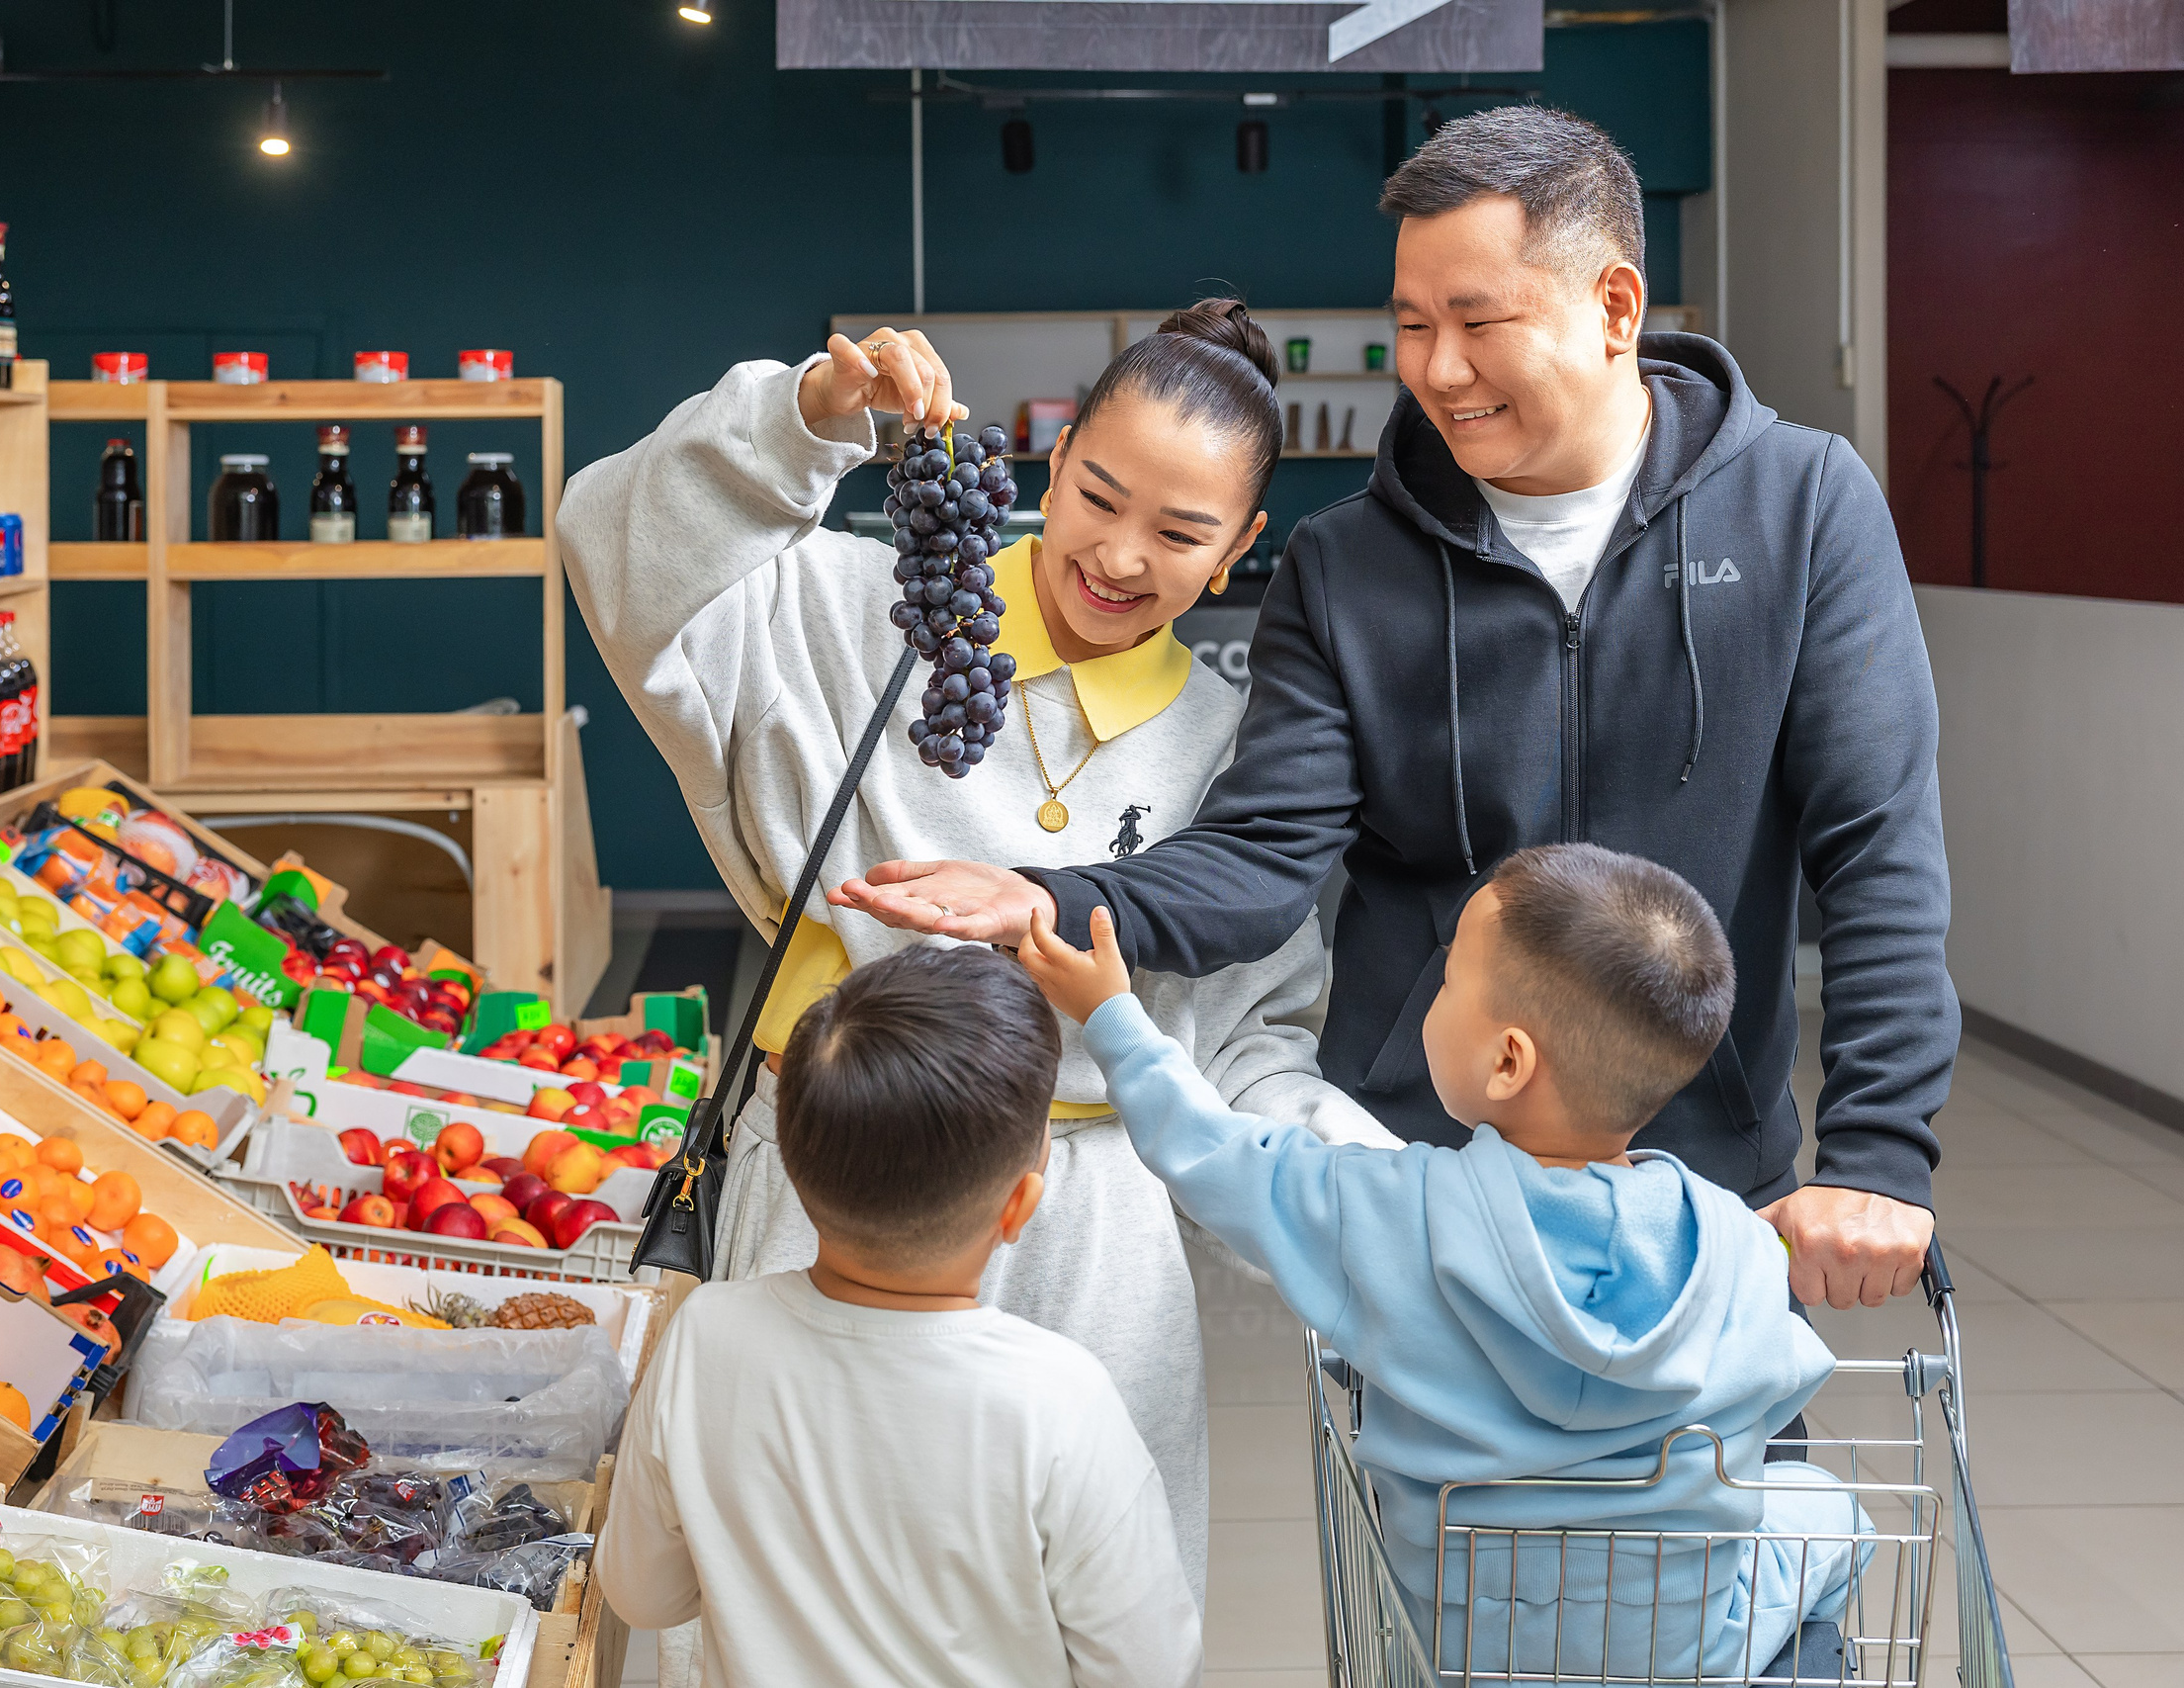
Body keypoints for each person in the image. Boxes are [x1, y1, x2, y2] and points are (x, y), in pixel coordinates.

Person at [836, 105, 1954, 1312]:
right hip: (1422, 1186)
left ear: (1616, 307)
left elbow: (1875, 848)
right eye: (1412, 325)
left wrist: (1880, 1158)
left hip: (1701, 1190)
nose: (1435, 369)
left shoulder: (1801, 509)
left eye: (1478, 322)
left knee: (1715, 1501)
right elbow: (1264, 859)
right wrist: (1048, 896)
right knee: (1429, 1507)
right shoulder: (1345, 566)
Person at [560, 301, 1398, 1611]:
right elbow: (619, 547)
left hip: (1092, 1232)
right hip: (835, 1171)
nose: (1118, 556)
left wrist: (1390, 1203)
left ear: (1239, 549)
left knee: (1075, 1601)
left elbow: (1249, 1040)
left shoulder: (1238, 748)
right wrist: (803, 417)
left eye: (1179, 533)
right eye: (1099, 495)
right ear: (1052, 465)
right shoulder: (854, 607)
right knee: (784, 1589)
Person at [1017, 844, 1869, 1681]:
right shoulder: (1734, 1245)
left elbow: (1213, 1154)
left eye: (1450, 977)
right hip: (1682, 1646)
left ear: (1507, 1060)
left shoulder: (1394, 1208)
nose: (1434, 989)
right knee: (1832, 1507)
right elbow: (1786, 1376)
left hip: (1458, 1636)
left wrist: (1113, 1017)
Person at [595, 943, 1205, 1688]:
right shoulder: (1062, 1400)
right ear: (1020, 1205)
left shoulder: (705, 1340)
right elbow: (1150, 1667)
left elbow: (642, 1591)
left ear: (789, 1152)